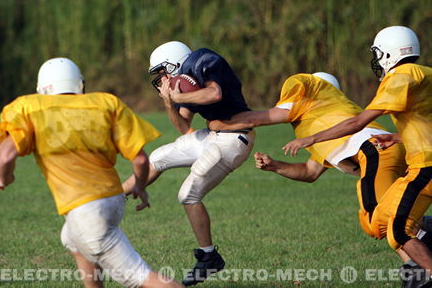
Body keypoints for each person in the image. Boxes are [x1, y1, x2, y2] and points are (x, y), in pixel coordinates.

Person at [0, 57, 183, 288]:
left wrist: (6, 177)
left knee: (143, 278)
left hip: (87, 212)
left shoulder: (29, 107)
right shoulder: (105, 103)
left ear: (42, 88)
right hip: (113, 201)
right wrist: (139, 185)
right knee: (72, 240)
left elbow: (5, 156)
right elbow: (141, 159)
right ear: (80, 84)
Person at [208, 72, 412, 260]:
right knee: (392, 219)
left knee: (379, 221)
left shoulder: (316, 107)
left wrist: (218, 123)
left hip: (377, 153)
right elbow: (310, 172)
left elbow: (257, 118)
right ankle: (416, 260)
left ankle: (418, 267)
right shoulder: (328, 121)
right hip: (388, 156)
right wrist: (275, 165)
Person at [282, 26, 432, 277]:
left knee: (397, 231)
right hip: (422, 163)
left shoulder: (400, 77)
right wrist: (397, 136)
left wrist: (313, 138)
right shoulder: (427, 74)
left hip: (425, 167)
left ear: (387, 54)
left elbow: (357, 122)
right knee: (379, 218)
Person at [122, 41, 255, 286]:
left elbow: (215, 93)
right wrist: (169, 103)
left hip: (234, 140)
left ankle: (209, 257)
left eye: (163, 71)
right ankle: (116, 196)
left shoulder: (203, 60)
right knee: (158, 157)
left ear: (176, 62)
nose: (162, 78)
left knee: (188, 194)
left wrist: (179, 95)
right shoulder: (184, 84)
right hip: (212, 136)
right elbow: (184, 128)